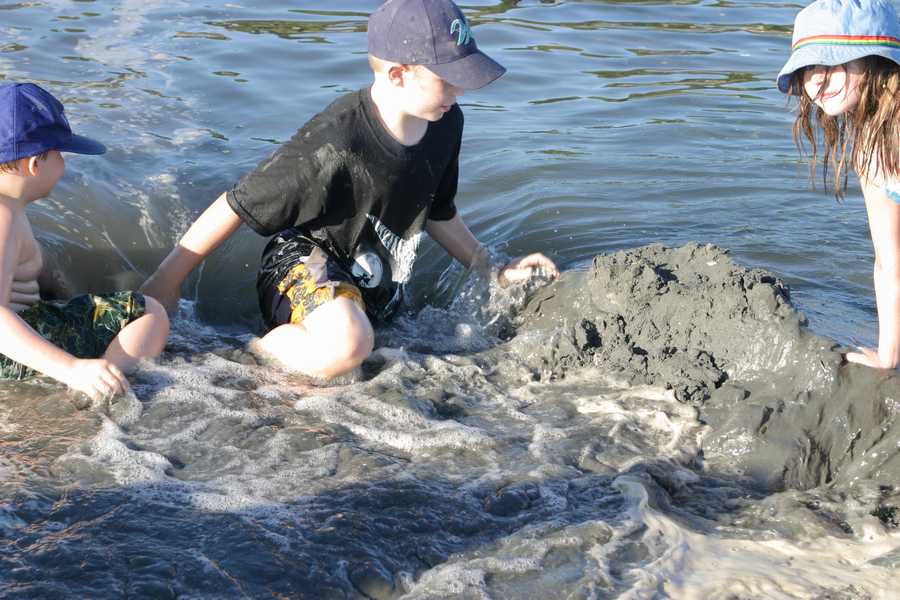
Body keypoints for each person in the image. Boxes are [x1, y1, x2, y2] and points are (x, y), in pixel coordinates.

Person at [141, 0, 558, 380]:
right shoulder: (336, 139)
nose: (460, 90)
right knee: (350, 344)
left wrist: (492, 268)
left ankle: (321, 354)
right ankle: (255, 354)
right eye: (448, 79)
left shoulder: (446, 123)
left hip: (369, 283)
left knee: (359, 348)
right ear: (398, 75)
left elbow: (437, 212)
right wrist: (165, 282)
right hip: (300, 264)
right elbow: (238, 204)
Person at [0, 83, 170, 401]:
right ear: (35, 164)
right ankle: (99, 387)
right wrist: (72, 369)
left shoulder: (9, 209)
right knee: (149, 312)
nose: (63, 164)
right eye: (60, 154)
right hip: (9, 354)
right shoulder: (3, 216)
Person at [777, 0, 900, 369]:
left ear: (877, 62)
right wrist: (888, 357)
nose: (816, 79)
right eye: (808, 67)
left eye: (831, 62)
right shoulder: (869, 146)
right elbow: (889, 261)